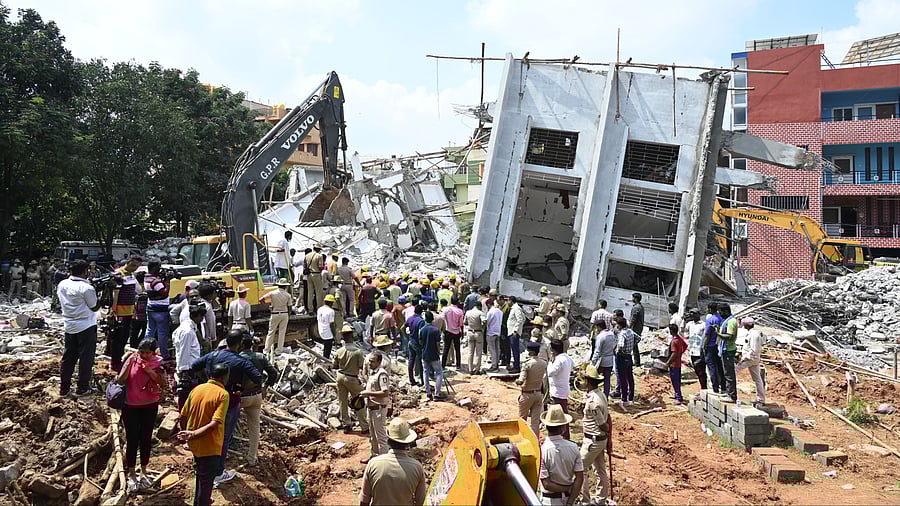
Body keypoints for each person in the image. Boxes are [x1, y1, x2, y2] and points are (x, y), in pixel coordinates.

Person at [191, 330, 263, 488]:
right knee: (223, 438)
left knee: (205, 430)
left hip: (209, 397)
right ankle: (218, 473)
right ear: (240, 344)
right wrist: (242, 389)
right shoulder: (241, 361)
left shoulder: (213, 355)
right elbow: (258, 378)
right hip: (229, 402)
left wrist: (205, 380)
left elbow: (195, 366)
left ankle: (200, 465)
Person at [117, 338, 166, 493]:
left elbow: (162, 382)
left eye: (147, 353)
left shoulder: (159, 363)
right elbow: (120, 380)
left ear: (153, 353)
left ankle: (143, 471)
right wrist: (129, 365)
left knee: (145, 438)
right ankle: (132, 474)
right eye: (141, 352)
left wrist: (149, 370)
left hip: (150, 405)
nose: (144, 355)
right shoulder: (131, 359)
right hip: (130, 405)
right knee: (132, 439)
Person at [178, 362, 230, 506]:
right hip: (210, 444)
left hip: (195, 444)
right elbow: (214, 424)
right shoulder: (223, 394)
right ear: (224, 377)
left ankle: (200, 500)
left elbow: (183, 415)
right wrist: (193, 434)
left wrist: (187, 434)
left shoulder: (197, 389)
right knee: (206, 481)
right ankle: (202, 501)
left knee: (201, 475)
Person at [359, 417, 426, 506]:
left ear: (388, 441)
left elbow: (364, 500)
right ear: (408, 443)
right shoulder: (417, 467)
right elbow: (421, 501)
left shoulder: (373, 464)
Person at [58, 259, 101, 397]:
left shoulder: (62, 284)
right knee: (86, 358)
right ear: (85, 271)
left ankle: (64, 388)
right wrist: (103, 293)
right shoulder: (86, 288)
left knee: (68, 357)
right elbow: (94, 307)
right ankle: (82, 387)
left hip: (69, 325)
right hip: (86, 325)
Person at [238, 334, 278, 466]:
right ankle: (252, 458)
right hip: (256, 395)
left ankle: (226, 453)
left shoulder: (237, 358)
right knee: (254, 427)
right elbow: (273, 373)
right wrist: (265, 386)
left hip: (240, 396)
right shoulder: (260, 357)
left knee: (228, 422)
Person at [538, 404, 584, 506]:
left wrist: (567, 488)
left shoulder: (542, 451)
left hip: (549, 501)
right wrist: (570, 501)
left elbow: (546, 484)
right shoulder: (574, 447)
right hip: (568, 499)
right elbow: (580, 478)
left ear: (546, 426)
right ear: (563, 428)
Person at [579, 364, 611, 505]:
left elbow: (602, 424)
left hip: (593, 440)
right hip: (599, 440)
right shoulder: (601, 395)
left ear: (588, 381)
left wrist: (607, 428)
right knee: (600, 470)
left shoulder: (593, 402)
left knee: (579, 468)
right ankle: (600, 499)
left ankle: (585, 500)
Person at [109, 255, 143, 372]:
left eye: (137, 266)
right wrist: (113, 309)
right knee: (118, 338)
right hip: (119, 311)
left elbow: (137, 291)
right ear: (127, 262)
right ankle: (115, 362)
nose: (134, 268)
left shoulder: (131, 275)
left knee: (124, 337)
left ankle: (119, 359)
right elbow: (115, 293)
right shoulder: (118, 274)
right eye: (133, 265)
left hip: (129, 311)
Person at [333, 325, 368, 433]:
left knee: (342, 401)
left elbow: (335, 366)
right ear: (352, 336)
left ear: (343, 337)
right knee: (359, 401)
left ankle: (346, 425)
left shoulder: (339, 351)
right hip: (352, 378)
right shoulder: (357, 351)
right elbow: (362, 367)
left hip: (340, 377)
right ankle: (364, 426)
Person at [174, 304, 206, 414]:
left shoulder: (189, 326)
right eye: (201, 316)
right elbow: (184, 351)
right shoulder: (187, 331)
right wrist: (184, 371)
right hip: (189, 368)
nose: (202, 319)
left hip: (191, 366)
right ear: (196, 316)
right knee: (186, 393)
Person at [359, 351, 391, 462]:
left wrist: (368, 393)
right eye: (369, 361)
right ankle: (375, 456)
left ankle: (384, 461)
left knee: (380, 436)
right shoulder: (372, 373)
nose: (369, 363)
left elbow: (385, 392)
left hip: (379, 409)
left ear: (379, 362)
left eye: (372, 361)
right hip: (371, 408)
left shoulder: (382, 374)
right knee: (372, 436)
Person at [517, 341, 547, 438]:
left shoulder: (527, 364)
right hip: (538, 394)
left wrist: (517, 381)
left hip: (527, 394)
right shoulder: (543, 363)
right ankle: (535, 440)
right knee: (535, 422)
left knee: (522, 420)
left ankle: (522, 439)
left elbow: (521, 380)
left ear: (531, 352)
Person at [144, 260, 172, 360]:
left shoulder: (146, 278)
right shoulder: (155, 281)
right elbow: (165, 292)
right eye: (158, 268)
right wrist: (168, 282)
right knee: (162, 333)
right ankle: (164, 355)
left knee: (150, 330)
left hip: (151, 307)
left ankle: (145, 350)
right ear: (154, 268)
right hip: (161, 310)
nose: (159, 270)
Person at [547, 339, 574, 440]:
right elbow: (573, 365)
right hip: (564, 388)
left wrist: (550, 361)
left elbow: (550, 372)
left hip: (557, 391)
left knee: (559, 415)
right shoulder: (567, 357)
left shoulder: (558, 360)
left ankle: (563, 436)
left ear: (553, 350)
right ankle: (565, 436)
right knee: (563, 413)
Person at [736, 317, 766, 405]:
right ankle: (761, 399)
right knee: (757, 379)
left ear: (746, 325)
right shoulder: (753, 333)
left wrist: (743, 358)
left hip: (750, 358)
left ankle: (732, 394)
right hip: (754, 359)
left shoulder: (754, 335)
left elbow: (753, 349)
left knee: (733, 371)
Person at [261, 279, 292, 360]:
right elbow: (290, 307)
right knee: (282, 333)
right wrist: (288, 315)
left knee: (271, 332)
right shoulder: (288, 295)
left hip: (274, 313)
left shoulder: (272, 293)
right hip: (284, 313)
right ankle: (278, 351)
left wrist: (268, 307)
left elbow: (261, 299)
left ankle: (266, 350)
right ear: (285, 286)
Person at [419, 312, 445, 401]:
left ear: (425, 319)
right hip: (434, 354)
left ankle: (428, 392)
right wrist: (438, 352)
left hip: (425, 354)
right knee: (439, 373)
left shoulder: (422, 330)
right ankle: (437, 394)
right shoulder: (436, 330)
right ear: (432, 319)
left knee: (425, 373)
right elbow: (438, 343)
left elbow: (420, 342)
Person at [716, 303, 738, 402]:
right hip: (725, 349)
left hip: (728, 350)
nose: (720, 314)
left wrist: (717, 333)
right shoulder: (727, 321)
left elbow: (729, 336)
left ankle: (732, 396)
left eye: (720, 312)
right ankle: (729, 392)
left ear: (726, 311)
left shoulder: (731, 321)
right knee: (726, 373)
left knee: (729, 374)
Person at [589, 320, 616, 398]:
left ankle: (595, 396)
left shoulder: (600, 336)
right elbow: (615, 345)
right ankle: (605, 397)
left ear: (599, 327)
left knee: (594, 380)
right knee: (607, 380)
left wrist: (593, 362)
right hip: (610, 360)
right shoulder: (611, 334)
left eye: (596, 328)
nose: (596, 330)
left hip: (601, 361)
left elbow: (597, 351)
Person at [614, 317, 637, 406]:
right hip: (629, 356)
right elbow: (638, 338)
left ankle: (624, 399)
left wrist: (619, 352)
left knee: (622, 378)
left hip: (622, 357)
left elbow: (620, 345)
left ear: (619, 325)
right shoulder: (630, 331)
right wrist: (631, 346)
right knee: (630, 377)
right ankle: (631, 398)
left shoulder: (622, 333)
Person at [703, 302, 725, 395]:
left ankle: (715, 387)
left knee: (711, 367)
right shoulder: (722, 319)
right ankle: (723, 386)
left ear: (710, 309)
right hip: (719, 345)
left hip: (711, 345)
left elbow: (707, 335)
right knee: (720, 366)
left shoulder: (710, 320)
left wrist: (704, 345)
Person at [685, 309, 708, 390]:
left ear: (698, 314)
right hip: (692, 350)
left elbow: (706, 337)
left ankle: (704, 388)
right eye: (690, 313)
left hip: (700, 351)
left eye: (693, 313)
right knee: (697, 370)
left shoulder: (703, 325)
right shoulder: (689, 324)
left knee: (701, 371)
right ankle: (703, 388)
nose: (691, 314)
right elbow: (684, 333)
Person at [666, 323, 688, 404]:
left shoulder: (674, 341)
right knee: (677, 380)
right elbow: (685, 346)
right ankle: (676, 394)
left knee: (675, 381)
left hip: (674, 364)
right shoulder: (679, 339)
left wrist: (668, 363)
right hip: (678, 363)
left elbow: (674, 353)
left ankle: (679, 397)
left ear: (671, 331)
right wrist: (680, 353)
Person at [442, 296, 464, 369]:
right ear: (457, 302)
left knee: (446, 349)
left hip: (448, 331)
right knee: (457, 349)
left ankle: (443, 365)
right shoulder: (460, 311)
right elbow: (461, 324)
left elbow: (442, 319)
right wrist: (462, 332)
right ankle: (458, 365)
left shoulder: (446, 310)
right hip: (456, 332)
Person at [507, 296, 526, 373]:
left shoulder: (516, 308)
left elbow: (520, 319)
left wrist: (516, 330)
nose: (507, 302)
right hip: (512, 331)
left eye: (508, 301)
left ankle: (516, 367)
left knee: (515, 350)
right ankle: (515, 365)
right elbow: (523, 318)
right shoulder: (514, 308)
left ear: (511, 301)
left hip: (514, 332)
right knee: (514, 349)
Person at [465, 300, 485, 375]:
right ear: (479, 306)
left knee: (470, 352)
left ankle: (470, 369)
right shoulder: (480, 313)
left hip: (470, 332)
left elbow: (465, 322)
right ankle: (477, 369)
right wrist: (483, 328)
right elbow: (484, 321)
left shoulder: (468, 312)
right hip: (478, 332)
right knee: (478, 352)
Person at [304, 242, 325, 312]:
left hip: (309, 275)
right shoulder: (319, 256)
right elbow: (320, 267)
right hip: (316, 274)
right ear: (318, 249)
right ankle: (319, 308)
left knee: (310, 292)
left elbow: (304, 266)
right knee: (318, 293)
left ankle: (310, 309)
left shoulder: (307, 255)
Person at [485, 298, 503, 372]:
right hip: (498, 331)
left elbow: (487, 322)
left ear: (489, 305)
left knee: (492, 350)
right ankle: (497, 364)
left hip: (491, 332)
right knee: (497, 349)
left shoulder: (490, 312)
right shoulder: (499, 311)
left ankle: (494, 366)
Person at [317, 294, 337, 359]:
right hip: (328, 333)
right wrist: (334, 334)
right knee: (328, 349)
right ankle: (325, 360)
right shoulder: (331, 311)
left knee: (325, 346)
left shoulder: (319, 309)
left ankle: (324, 358)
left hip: (321, 331)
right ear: (331, 302)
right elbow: (331, 324)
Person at [629, 292, 645, 368]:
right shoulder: (640, 307)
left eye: (632, 297)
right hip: (638, 328)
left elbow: (633, 319)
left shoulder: (636, 308)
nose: (632, 299)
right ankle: (636, 362)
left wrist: (628, 328)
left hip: (635, 329)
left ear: (635, 298)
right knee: (634, 346)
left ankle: (635, 362)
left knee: (632, 346)